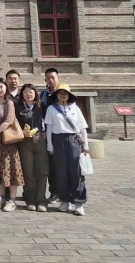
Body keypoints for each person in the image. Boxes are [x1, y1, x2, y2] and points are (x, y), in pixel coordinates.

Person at [44, 83, 89, 216]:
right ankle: (64, 200)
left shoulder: (75, 108)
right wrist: (50, 145)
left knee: (76, 172)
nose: (63, 95)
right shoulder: (51, 109)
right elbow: (49, 128)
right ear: (56, 95)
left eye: (65, 93)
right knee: (61, 172)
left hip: (73, 140)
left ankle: (79, 203)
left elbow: (82, 128)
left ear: (69, 95)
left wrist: (86, 145)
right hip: (58, 140)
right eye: (60, 93)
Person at [0, 77, 25, 212]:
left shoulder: (9, 103)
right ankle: (1, 198)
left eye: (1, 87)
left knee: (11, 169)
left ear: (6, 88)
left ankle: (12, 200)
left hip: (7, 141)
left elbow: (9, 120)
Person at [15, 83, 48, 212]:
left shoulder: (41, 106)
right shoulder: (18, 107)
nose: (28, 94)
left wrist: (46, 132)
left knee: (41, 171)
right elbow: (14, 123)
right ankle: (30, 199)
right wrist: (21, 132)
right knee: (28, 172)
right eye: (25, 92)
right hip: (24, 142)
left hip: (40, 140)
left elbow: (48, 121)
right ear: (22, 95)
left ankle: (41, 199)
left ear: (35, 94)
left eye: (31, 92)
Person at [40, 68, 60, 203]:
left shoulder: (64, 92)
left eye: (53, 77)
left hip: (62, 134)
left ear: (58, 78)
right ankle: (54, 192)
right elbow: (40, 112)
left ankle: (66, 191)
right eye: (48, 78)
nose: (50, 80)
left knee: (63, 165)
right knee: (52, 165)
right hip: (49, 134)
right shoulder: (43, 94)